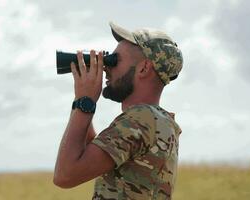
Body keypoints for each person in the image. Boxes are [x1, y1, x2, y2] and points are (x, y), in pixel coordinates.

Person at [53, 22, 183, 200]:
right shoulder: (158, 121)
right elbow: (91, 152)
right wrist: (82, 99)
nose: (107, 67)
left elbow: (65, 175)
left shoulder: (140, 120)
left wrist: (85, 101)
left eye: (115, 60)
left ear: (144, 68)